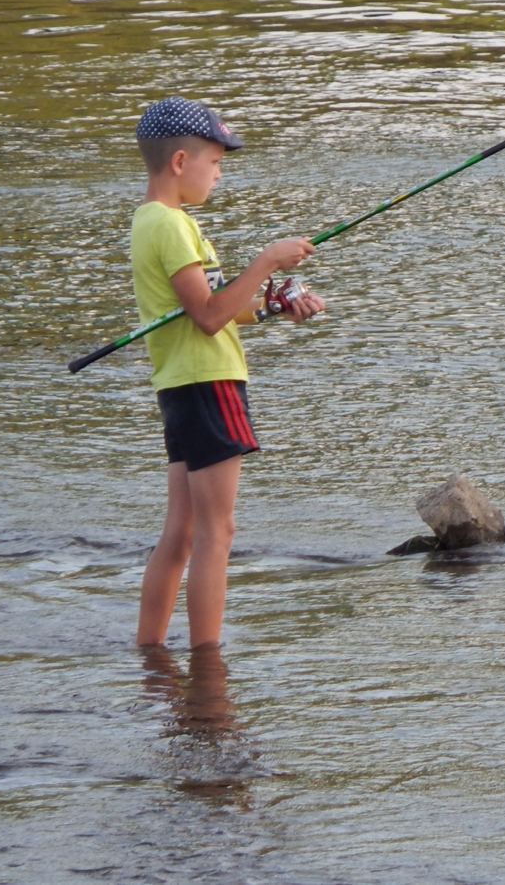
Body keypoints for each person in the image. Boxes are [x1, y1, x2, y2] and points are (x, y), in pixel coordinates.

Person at [131, 96, 326, 650]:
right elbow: (210, 316)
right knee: (218, 533)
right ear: (179, 162)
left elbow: (210, 306)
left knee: (183, 530)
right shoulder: (172, 226)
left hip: (180, 382)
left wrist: (269, 305)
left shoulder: (152, 221)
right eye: (214, 162)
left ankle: (150, 653)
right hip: (207, 383)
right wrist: (267, 260)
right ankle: (208, 668)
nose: (218, 173)